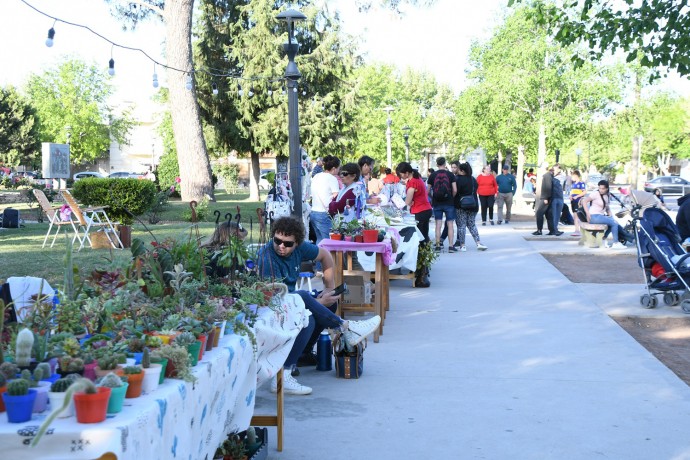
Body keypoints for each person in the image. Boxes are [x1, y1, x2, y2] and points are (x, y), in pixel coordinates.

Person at [256, 216, 381, 394]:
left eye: (288, 244)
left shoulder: (301, 248)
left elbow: (325, 256)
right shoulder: (266, 258)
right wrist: (316, 302)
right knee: (307, 309)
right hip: (275, 308)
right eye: (277, 241)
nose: (281, 246)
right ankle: (345, 327)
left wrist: (328, 288)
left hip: (291, 302)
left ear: (297, 243)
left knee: (326, 303)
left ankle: (303, 355)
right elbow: (275, 300)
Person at [396, 161, 432, 287]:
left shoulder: (413, 182)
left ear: (406, 173)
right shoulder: (417, 179)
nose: (401, 177)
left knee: (420, 240)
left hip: (420, 211)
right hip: (424, 209)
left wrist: (401, 205)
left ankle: (422, 271)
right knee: (424, 239)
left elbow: (407, 200)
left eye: (402, 174)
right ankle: (423, 269)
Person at [580, 180, 626, 249]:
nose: (601, 190)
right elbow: (584, 201)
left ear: (607, 188)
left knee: (614, 223)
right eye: (600, 188)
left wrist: (610, 214)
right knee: (614, 224)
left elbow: (607, 207)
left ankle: (603, 239)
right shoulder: (595, 193)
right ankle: (616, 243)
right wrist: (587, 213)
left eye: (603, 188)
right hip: (594, 216)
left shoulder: (607, 195)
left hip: (600, 216)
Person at [454, 162, 487, 252]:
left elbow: (455, 191)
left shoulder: (457, 179)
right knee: (472, 224)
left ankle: (463, 245)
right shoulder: (473, 179)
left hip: (460, 205)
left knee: (461, 226)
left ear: (462, 170)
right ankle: (478, 242)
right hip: (473, 205)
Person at [427, 157, 457, 252]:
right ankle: (451, 246)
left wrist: (433, 198)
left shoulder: (432, 175)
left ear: (437, 164)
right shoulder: (450, 174)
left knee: (438, 225)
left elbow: (427, 191)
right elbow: (455, 189)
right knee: (450, 224)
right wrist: (451, 197)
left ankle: (437, 246)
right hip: (449, 203)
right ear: (445, 164)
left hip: (437, 203)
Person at [310, 155, 341, 244]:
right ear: (334, 168)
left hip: (314, 212)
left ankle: (318, 258)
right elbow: (336, 197)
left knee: (320, 242)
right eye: (339, 168)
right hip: (324, 214)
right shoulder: (332, 179)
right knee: (328, 243)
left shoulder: (316, 176)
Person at [533, 165, 555, 236]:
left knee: (539, 213)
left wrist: (546, 198)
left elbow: (548, 187)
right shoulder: (548, 175)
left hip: (545, 198)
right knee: (548, 214)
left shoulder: (547, 176)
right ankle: (551, 230)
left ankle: (539, 230)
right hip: (547, 197)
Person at [549, 163, 565, 236]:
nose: (557, 170)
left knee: (558, 214)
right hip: (553, 197)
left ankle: (555, 228)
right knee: (553, 214)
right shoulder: (550, 177)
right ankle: (553, 229)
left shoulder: (562, 176)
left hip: (560, 197)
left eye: (558, 168)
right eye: (555, 168)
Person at [569, 170, 586, 237]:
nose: (571, 178)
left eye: (572, 176)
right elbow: (572, 192)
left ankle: (578, 230)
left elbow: (584, 192)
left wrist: (577, 196)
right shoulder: (573, 184)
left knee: (578, 216)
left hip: (578, 202)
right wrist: (570, 196)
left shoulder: (581, 183)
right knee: (575, 216)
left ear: (576, 176)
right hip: (573, 201)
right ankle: (576, 230)